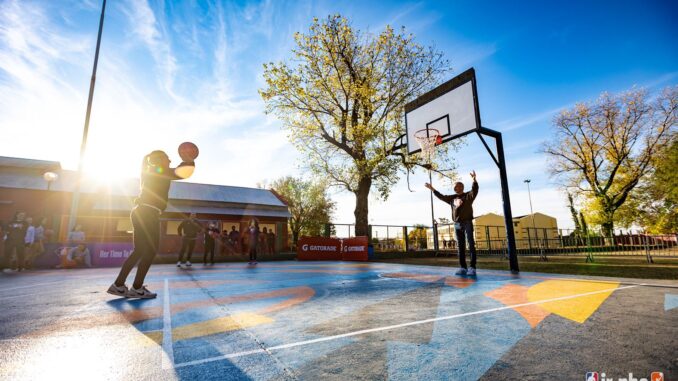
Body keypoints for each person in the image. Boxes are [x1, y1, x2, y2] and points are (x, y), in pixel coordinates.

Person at [107, 150, 195, 299]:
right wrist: (188, 159)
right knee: (150, 251)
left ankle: (119, 285)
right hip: (148, 213)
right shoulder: (158, 171)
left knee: (140, 250)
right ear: (159, 160)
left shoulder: (151, 171)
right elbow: (183, 172)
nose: (169, 160)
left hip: (141, 212)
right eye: (167, 158)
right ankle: (137, 287)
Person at [425, 170, 479, 276]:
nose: (455, 188)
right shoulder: (452, 198)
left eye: (457, 186)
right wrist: (432, 189)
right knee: (460, 246)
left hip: (467, 222)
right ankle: (463, 267)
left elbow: (475, 190)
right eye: (454, 186)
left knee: (471, 244)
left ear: (461, 187)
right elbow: (441, 196)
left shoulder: (468, 196)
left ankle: (472, 267)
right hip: (457, 224)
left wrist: (474, 180)